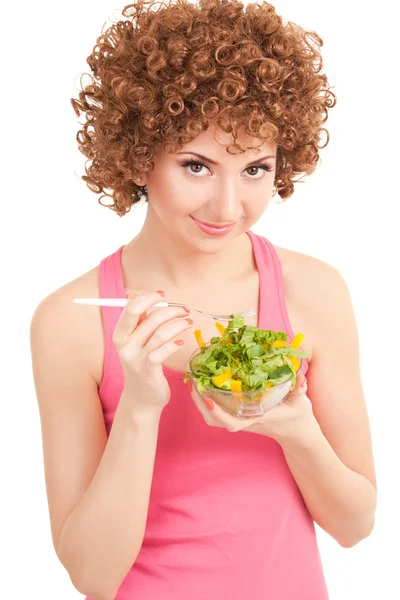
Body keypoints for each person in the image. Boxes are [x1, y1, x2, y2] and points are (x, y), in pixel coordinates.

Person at [29, 1, 377, 599]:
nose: (227, 208)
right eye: (196, 166)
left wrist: (295, 429)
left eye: (254, 169)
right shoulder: (68, 322)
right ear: (140, 156)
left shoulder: (313, 291)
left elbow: (355, 525)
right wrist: (140, 407)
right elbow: (91, 574)